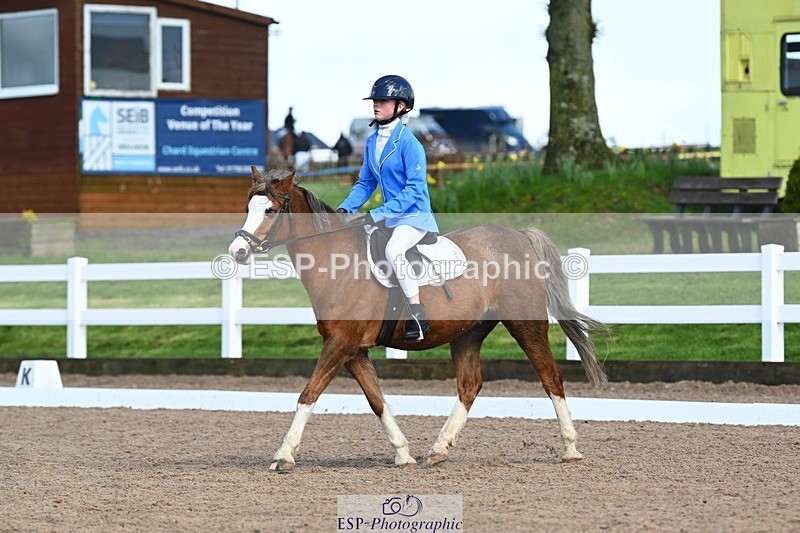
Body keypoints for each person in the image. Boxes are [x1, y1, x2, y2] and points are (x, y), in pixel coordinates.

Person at [337, 75, 438, 342]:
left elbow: (415, 191)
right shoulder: (372, 141)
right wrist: (345, 209)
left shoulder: (410, 143)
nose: (376, 105)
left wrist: (378, 214)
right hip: (390, 217)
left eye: (383, 101)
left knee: (394, 250)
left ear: (401, 106)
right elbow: (366, 182)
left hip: (415, 216)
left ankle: (418, 315)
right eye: (375, 100)